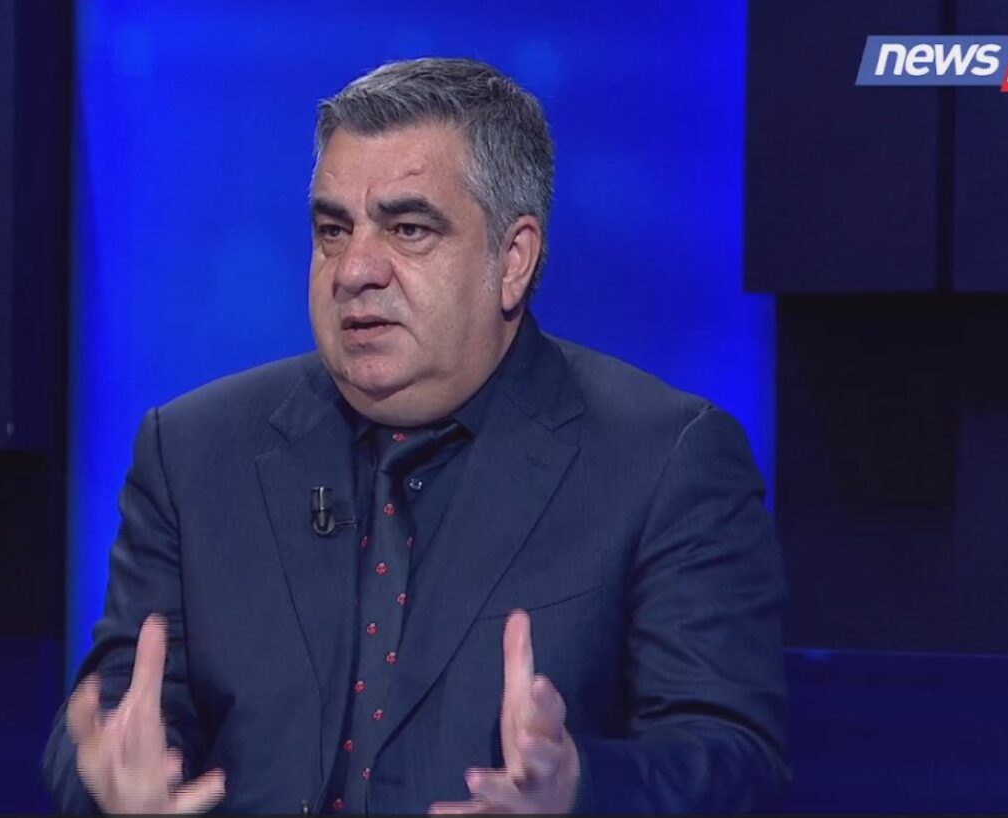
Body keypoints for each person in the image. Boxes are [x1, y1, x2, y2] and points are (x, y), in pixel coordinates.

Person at [44, 57, 787, 814]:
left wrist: (578, 792)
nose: (354, 270)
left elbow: (733, 761)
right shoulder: (193, 452)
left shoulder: (663, 459)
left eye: (409, 229)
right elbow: (104, 721)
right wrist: (115, 783)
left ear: (513, 260)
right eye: (333, 230)